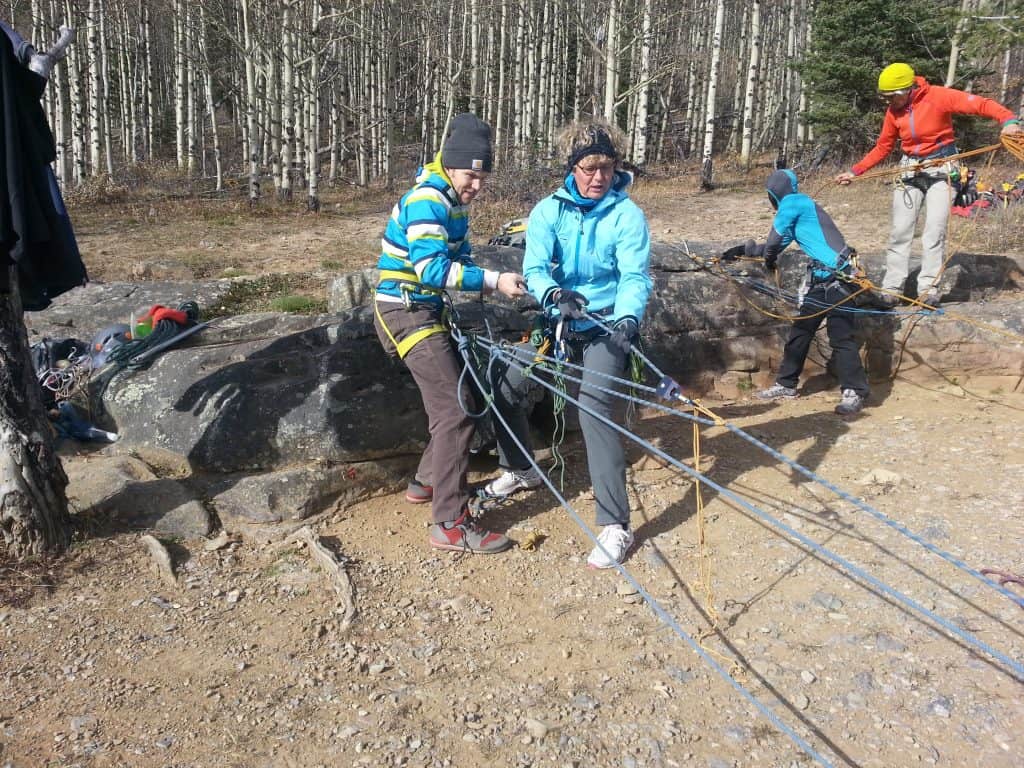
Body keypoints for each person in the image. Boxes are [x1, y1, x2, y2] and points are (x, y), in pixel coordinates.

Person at [373, 113, 531, 555]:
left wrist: (492, 277)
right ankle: (451, 523)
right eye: (470, 175)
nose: (476, 185)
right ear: (450, 165)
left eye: (483, 177)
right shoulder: (429, 200)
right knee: (457, 411)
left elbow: (458, 259)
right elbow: (432, 269)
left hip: (424, 309)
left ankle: (426, 481)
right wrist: (495, 281)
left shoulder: (452, 200)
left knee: (460, 402)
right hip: (404, 312)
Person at [511, 118, 652, 569]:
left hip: (608, 324)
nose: (598, 178)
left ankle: (615, 524)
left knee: (593, 404)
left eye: (607, 168)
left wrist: (628, 317)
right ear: (572, 168)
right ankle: (519, 468)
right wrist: (553, 294)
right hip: (559, 320)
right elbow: (535, 268)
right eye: (589, 168)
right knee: (507, 379)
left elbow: (634, 275)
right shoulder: (547, 211)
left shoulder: (626, 215)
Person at [835, 62, 1022, 307]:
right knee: (900, 231)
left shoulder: (938, 96)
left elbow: (981, 104)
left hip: (942, 169)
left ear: (907, 89)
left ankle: (927, 291)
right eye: (885, 97)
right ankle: (892, 290)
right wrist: (855, 171)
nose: (888, 102)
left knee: (934, 232)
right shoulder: (894, 112)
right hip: (910, 170)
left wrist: (1008, 120)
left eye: (892, 96)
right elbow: (883, 146)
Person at [734, 169, 870, 417]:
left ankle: (855, 391)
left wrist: (768, 258)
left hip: (840, 278)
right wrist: (747, 250)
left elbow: (774, 242)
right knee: (801, 332)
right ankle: (786, 384)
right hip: (822, 280)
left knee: (841, 337)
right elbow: (776, 243)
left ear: (774, 193)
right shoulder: (799, 208)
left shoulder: (794, 202)